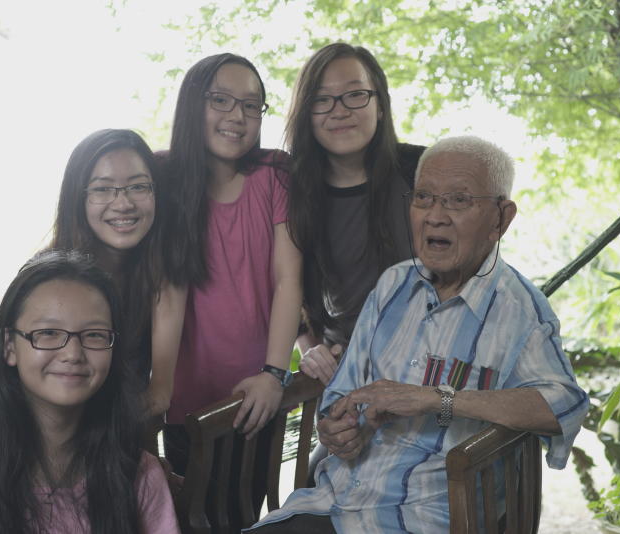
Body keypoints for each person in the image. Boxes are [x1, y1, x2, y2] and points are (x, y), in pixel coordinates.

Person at [247, 136, 589, 534]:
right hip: (337, 499)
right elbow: (343, 393)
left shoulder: (517, 309)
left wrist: (436, 399)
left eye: (458, 200)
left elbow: (563, 405)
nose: (435, 216)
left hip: (428, 514)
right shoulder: (393, 284)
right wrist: (339, 430)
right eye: (423, 197)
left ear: (500, 219)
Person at [0, 250, 179, 533]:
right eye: (48, 333)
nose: (72, 353)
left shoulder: (140, 475)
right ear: (9, 347)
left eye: (94, 334)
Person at [152, 53, 302, 475]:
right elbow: (168, 289)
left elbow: (288, 279)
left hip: (258, 397)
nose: (237, 115)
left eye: (251, 105)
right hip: (183, 404)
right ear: (193, 105)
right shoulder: (161, 175)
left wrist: (275, 373)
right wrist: (159, 387)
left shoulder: (275, 173)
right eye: (221, 100)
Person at [287, 42, 424, 476]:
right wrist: (309, 350)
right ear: (306, 114)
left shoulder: (422, 171)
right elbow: (283, 288)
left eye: (354, 94)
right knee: (312, 491)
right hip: (348, 390)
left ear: (379, 104)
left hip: (431, 378)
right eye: (322, 99)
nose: (339, 110)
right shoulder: (293, 193)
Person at [50, 128, 161, 381]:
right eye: (102, 189)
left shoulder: (159, 275)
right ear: (78, 199)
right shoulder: (46, 278)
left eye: (138, 186)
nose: (123, 204)